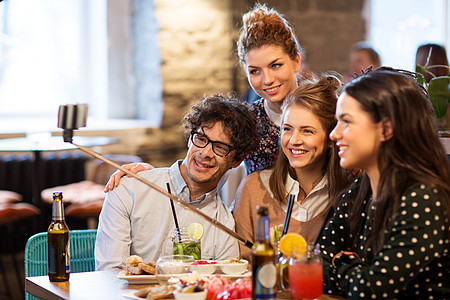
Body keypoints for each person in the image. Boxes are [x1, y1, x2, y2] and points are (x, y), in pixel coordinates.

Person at [103, 3, 307, 195]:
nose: (267, 80)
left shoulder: (323, 110)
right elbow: (200, 166)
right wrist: (150, 174)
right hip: (261, 221)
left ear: (296, 61)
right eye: (255, 71)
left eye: (276, 65)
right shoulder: (248, 120)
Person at [321, 67, 450, 298]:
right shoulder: (362, 188)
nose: (334, 134)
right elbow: (317, 262)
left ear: (386, 129)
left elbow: (370, 291)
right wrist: (355, 270)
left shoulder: (421, 198)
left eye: (346, 122)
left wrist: (341, 262)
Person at [95, 94, 259, 270]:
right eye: (201, 139)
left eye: (220, 147)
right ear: (190, 139)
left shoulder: (225, 226)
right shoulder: (130, 189)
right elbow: (109, 273)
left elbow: (219, 287)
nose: (205, 153)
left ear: (236, 160)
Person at [233, 73, 353, 260]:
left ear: (331, 138)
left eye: (307, 131)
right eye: (288, 129)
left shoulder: (349, 194)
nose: (294, 141)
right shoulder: (252, 189)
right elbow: (241, 267)